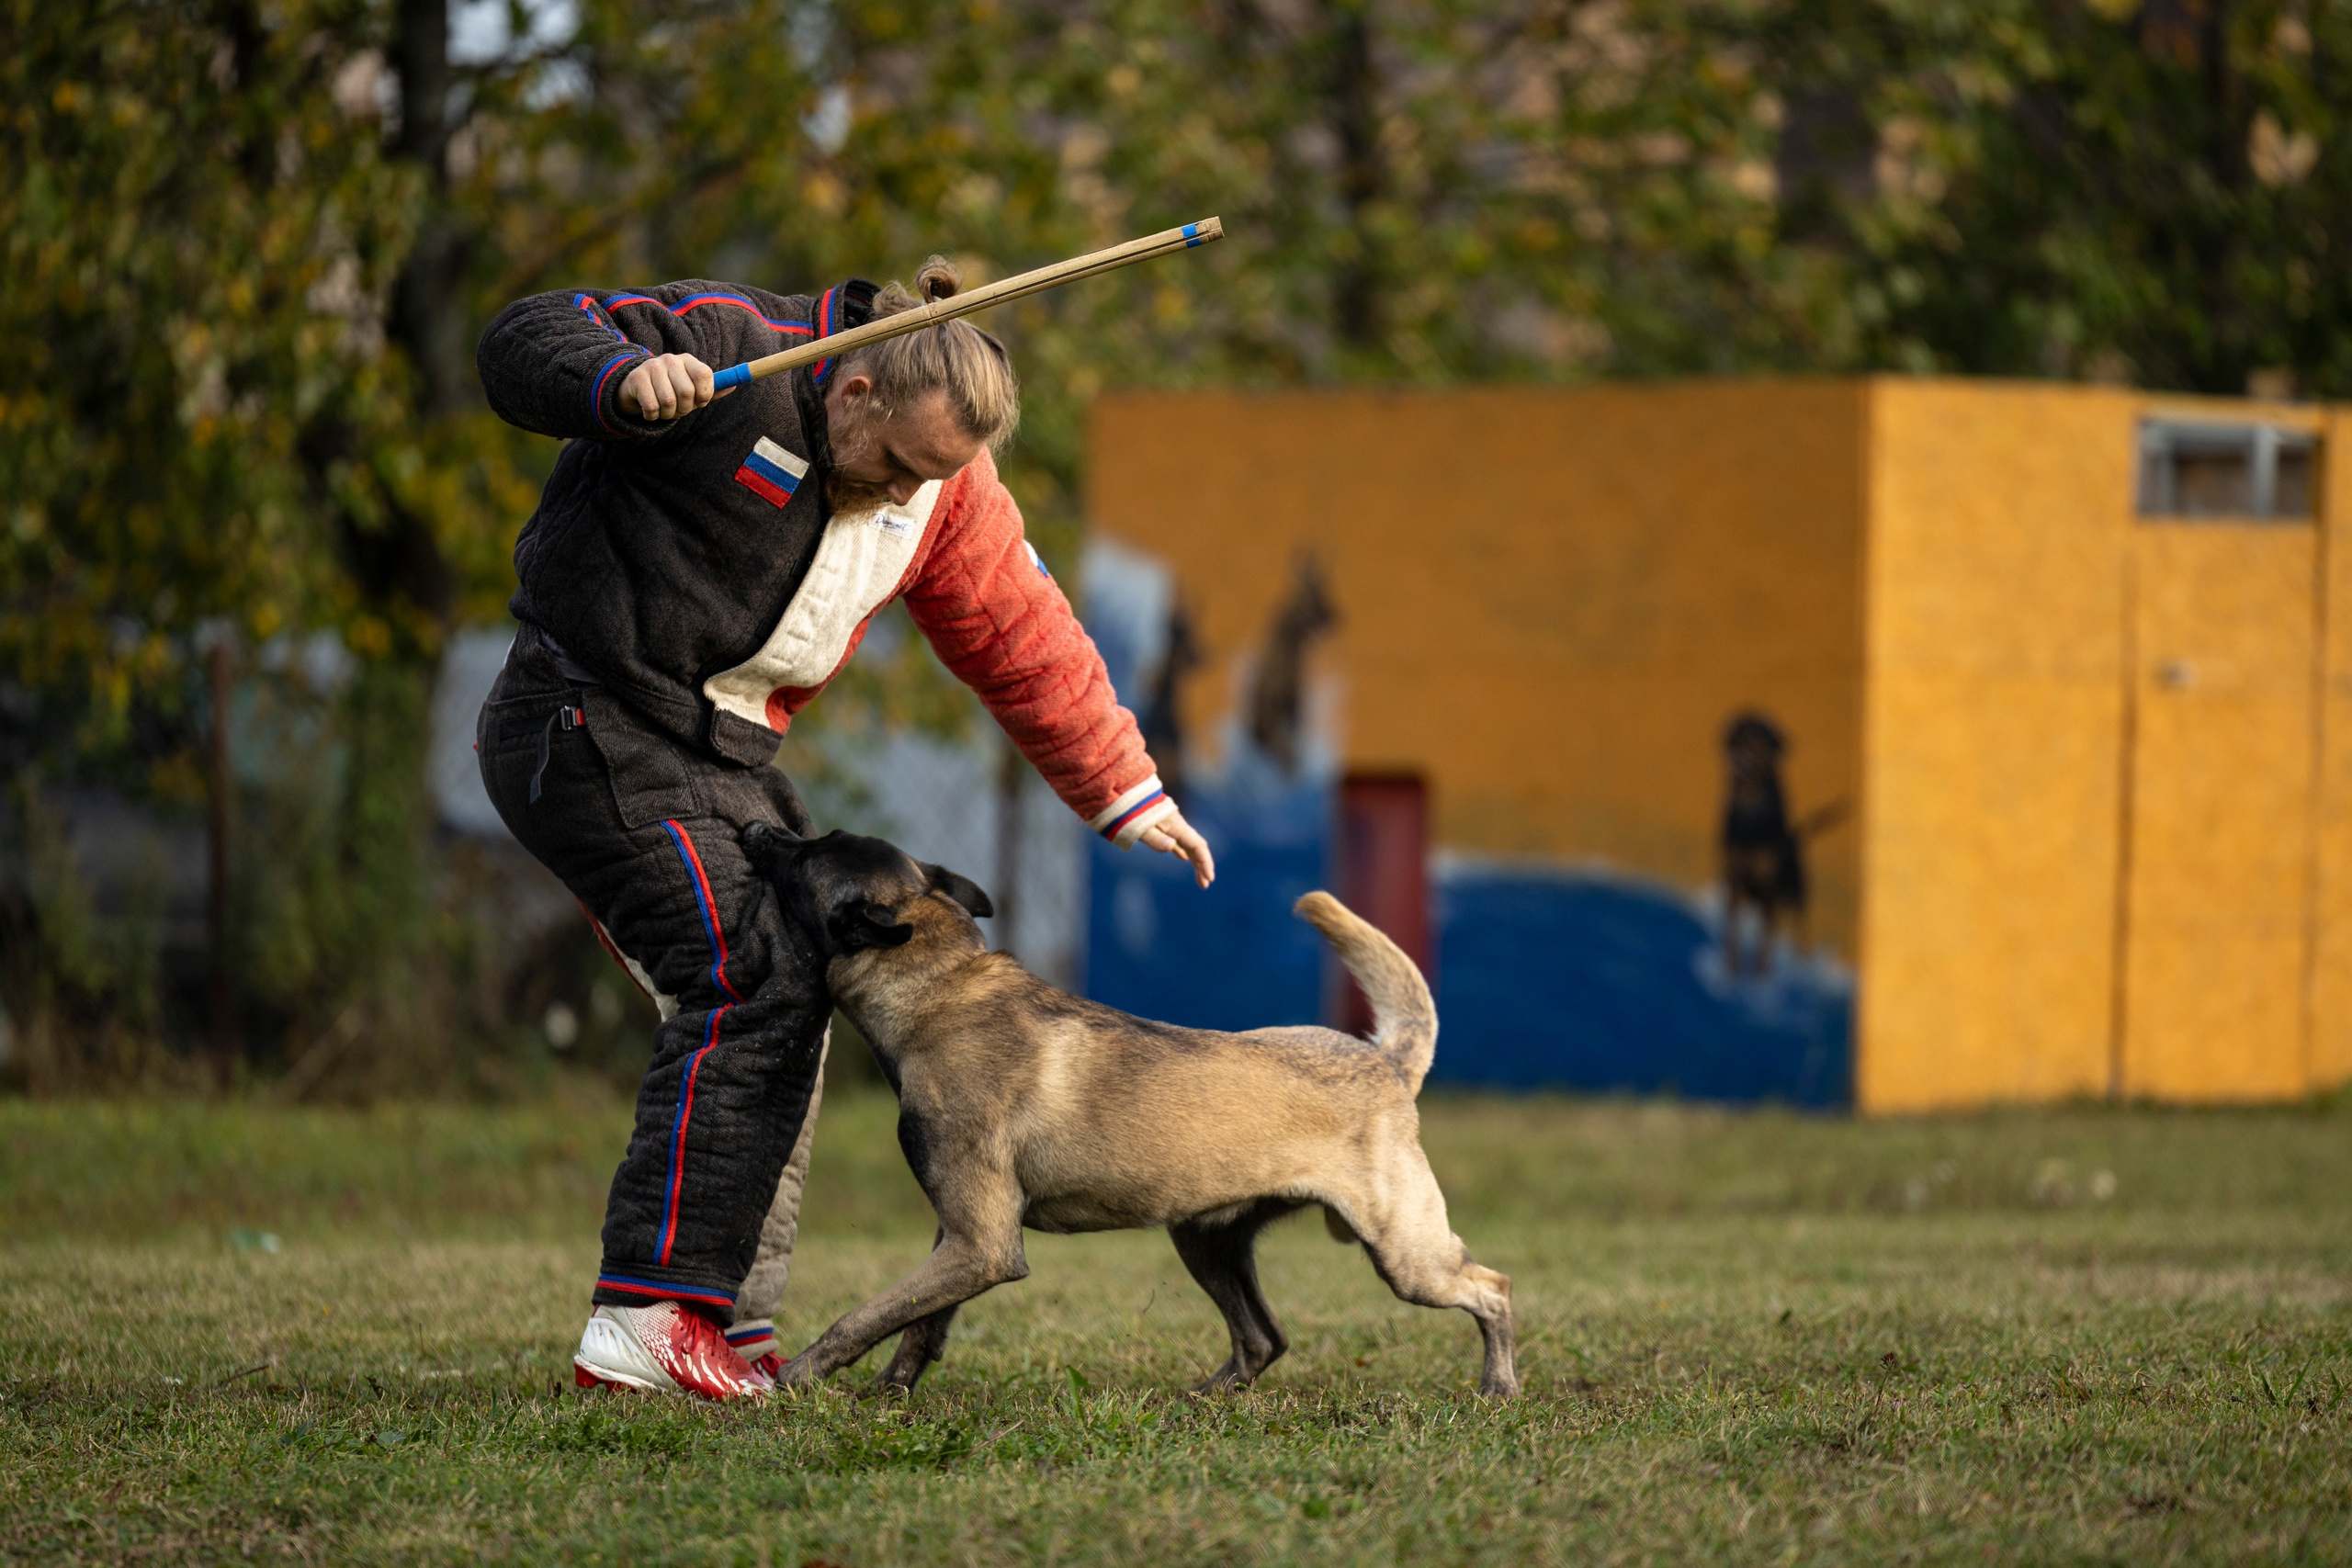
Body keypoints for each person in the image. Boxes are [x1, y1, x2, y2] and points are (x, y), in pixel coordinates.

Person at [472, 258, 1215, 1399]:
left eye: (938, 479)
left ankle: (725, 1325)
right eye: (900, 466)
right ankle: (647, 1317)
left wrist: (1128, 791)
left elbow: (1022, 634)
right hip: (581, 719)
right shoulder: (734, 347)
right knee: (746, 973)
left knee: (806, 973)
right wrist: (624, 380)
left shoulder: (941, 486)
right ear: (854, 391)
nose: (906, 495)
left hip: (722, 755)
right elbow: (531, 331)